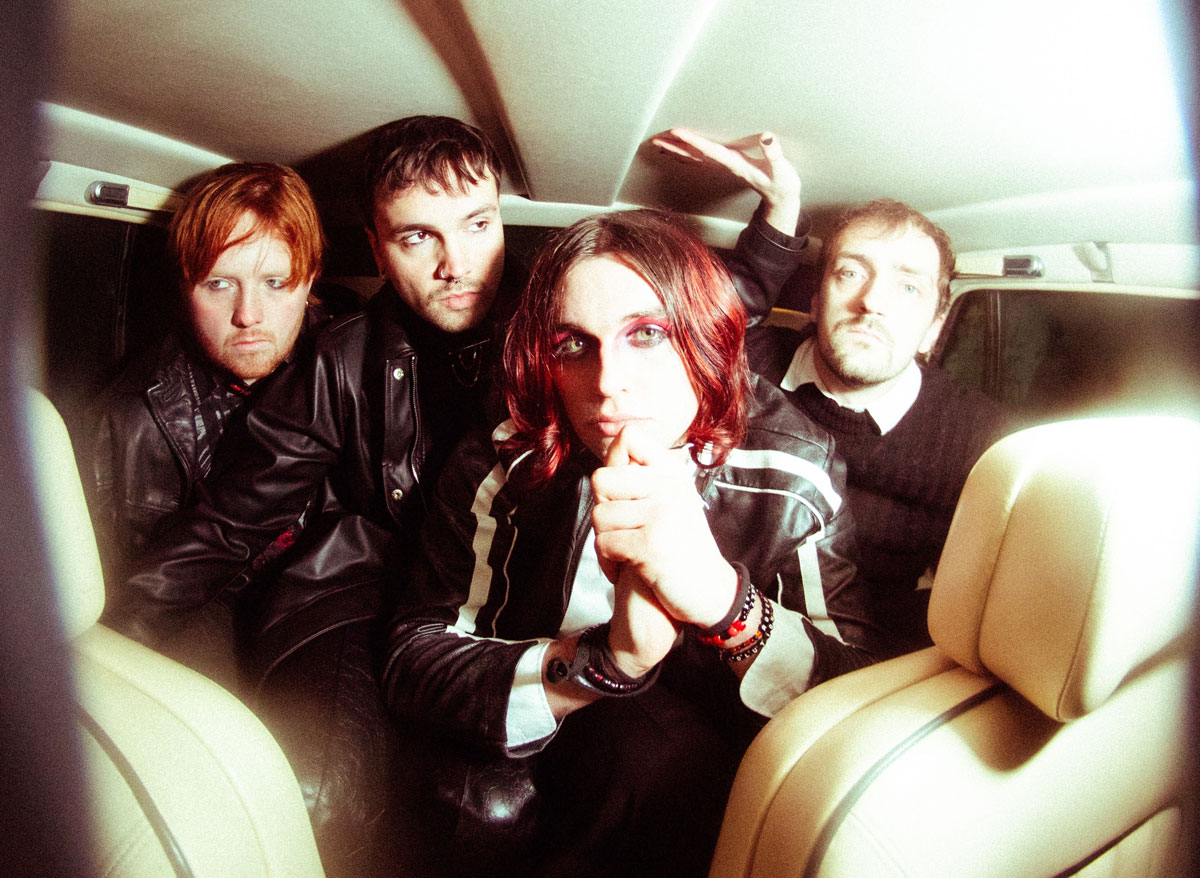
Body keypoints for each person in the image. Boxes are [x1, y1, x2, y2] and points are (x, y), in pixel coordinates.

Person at [382, 209, 879, 878]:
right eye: (572, 344)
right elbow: (413, 654)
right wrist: (608, 660)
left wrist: (727, 606)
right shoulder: (508, 455)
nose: (608, 384)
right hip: (543, 701)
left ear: (706, 333)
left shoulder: (794, 467)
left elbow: (862, 706)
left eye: (646, 334)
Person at [87, 161, 325, 681]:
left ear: (309, 281)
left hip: (324, 606)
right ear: (185, 288)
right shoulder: (127, 415)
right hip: (203, 611)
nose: (248, 315)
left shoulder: (358, 371)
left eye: (275, 282)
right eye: (218, 284)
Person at [748, 198, 1014, 657]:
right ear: (816, 301)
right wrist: (782, 208)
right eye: (850, 273)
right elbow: (708, 313)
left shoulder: (985, 441)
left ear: (934, 329)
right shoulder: (744, 365)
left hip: (868, 664)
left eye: (908, 287)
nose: (871, 303)